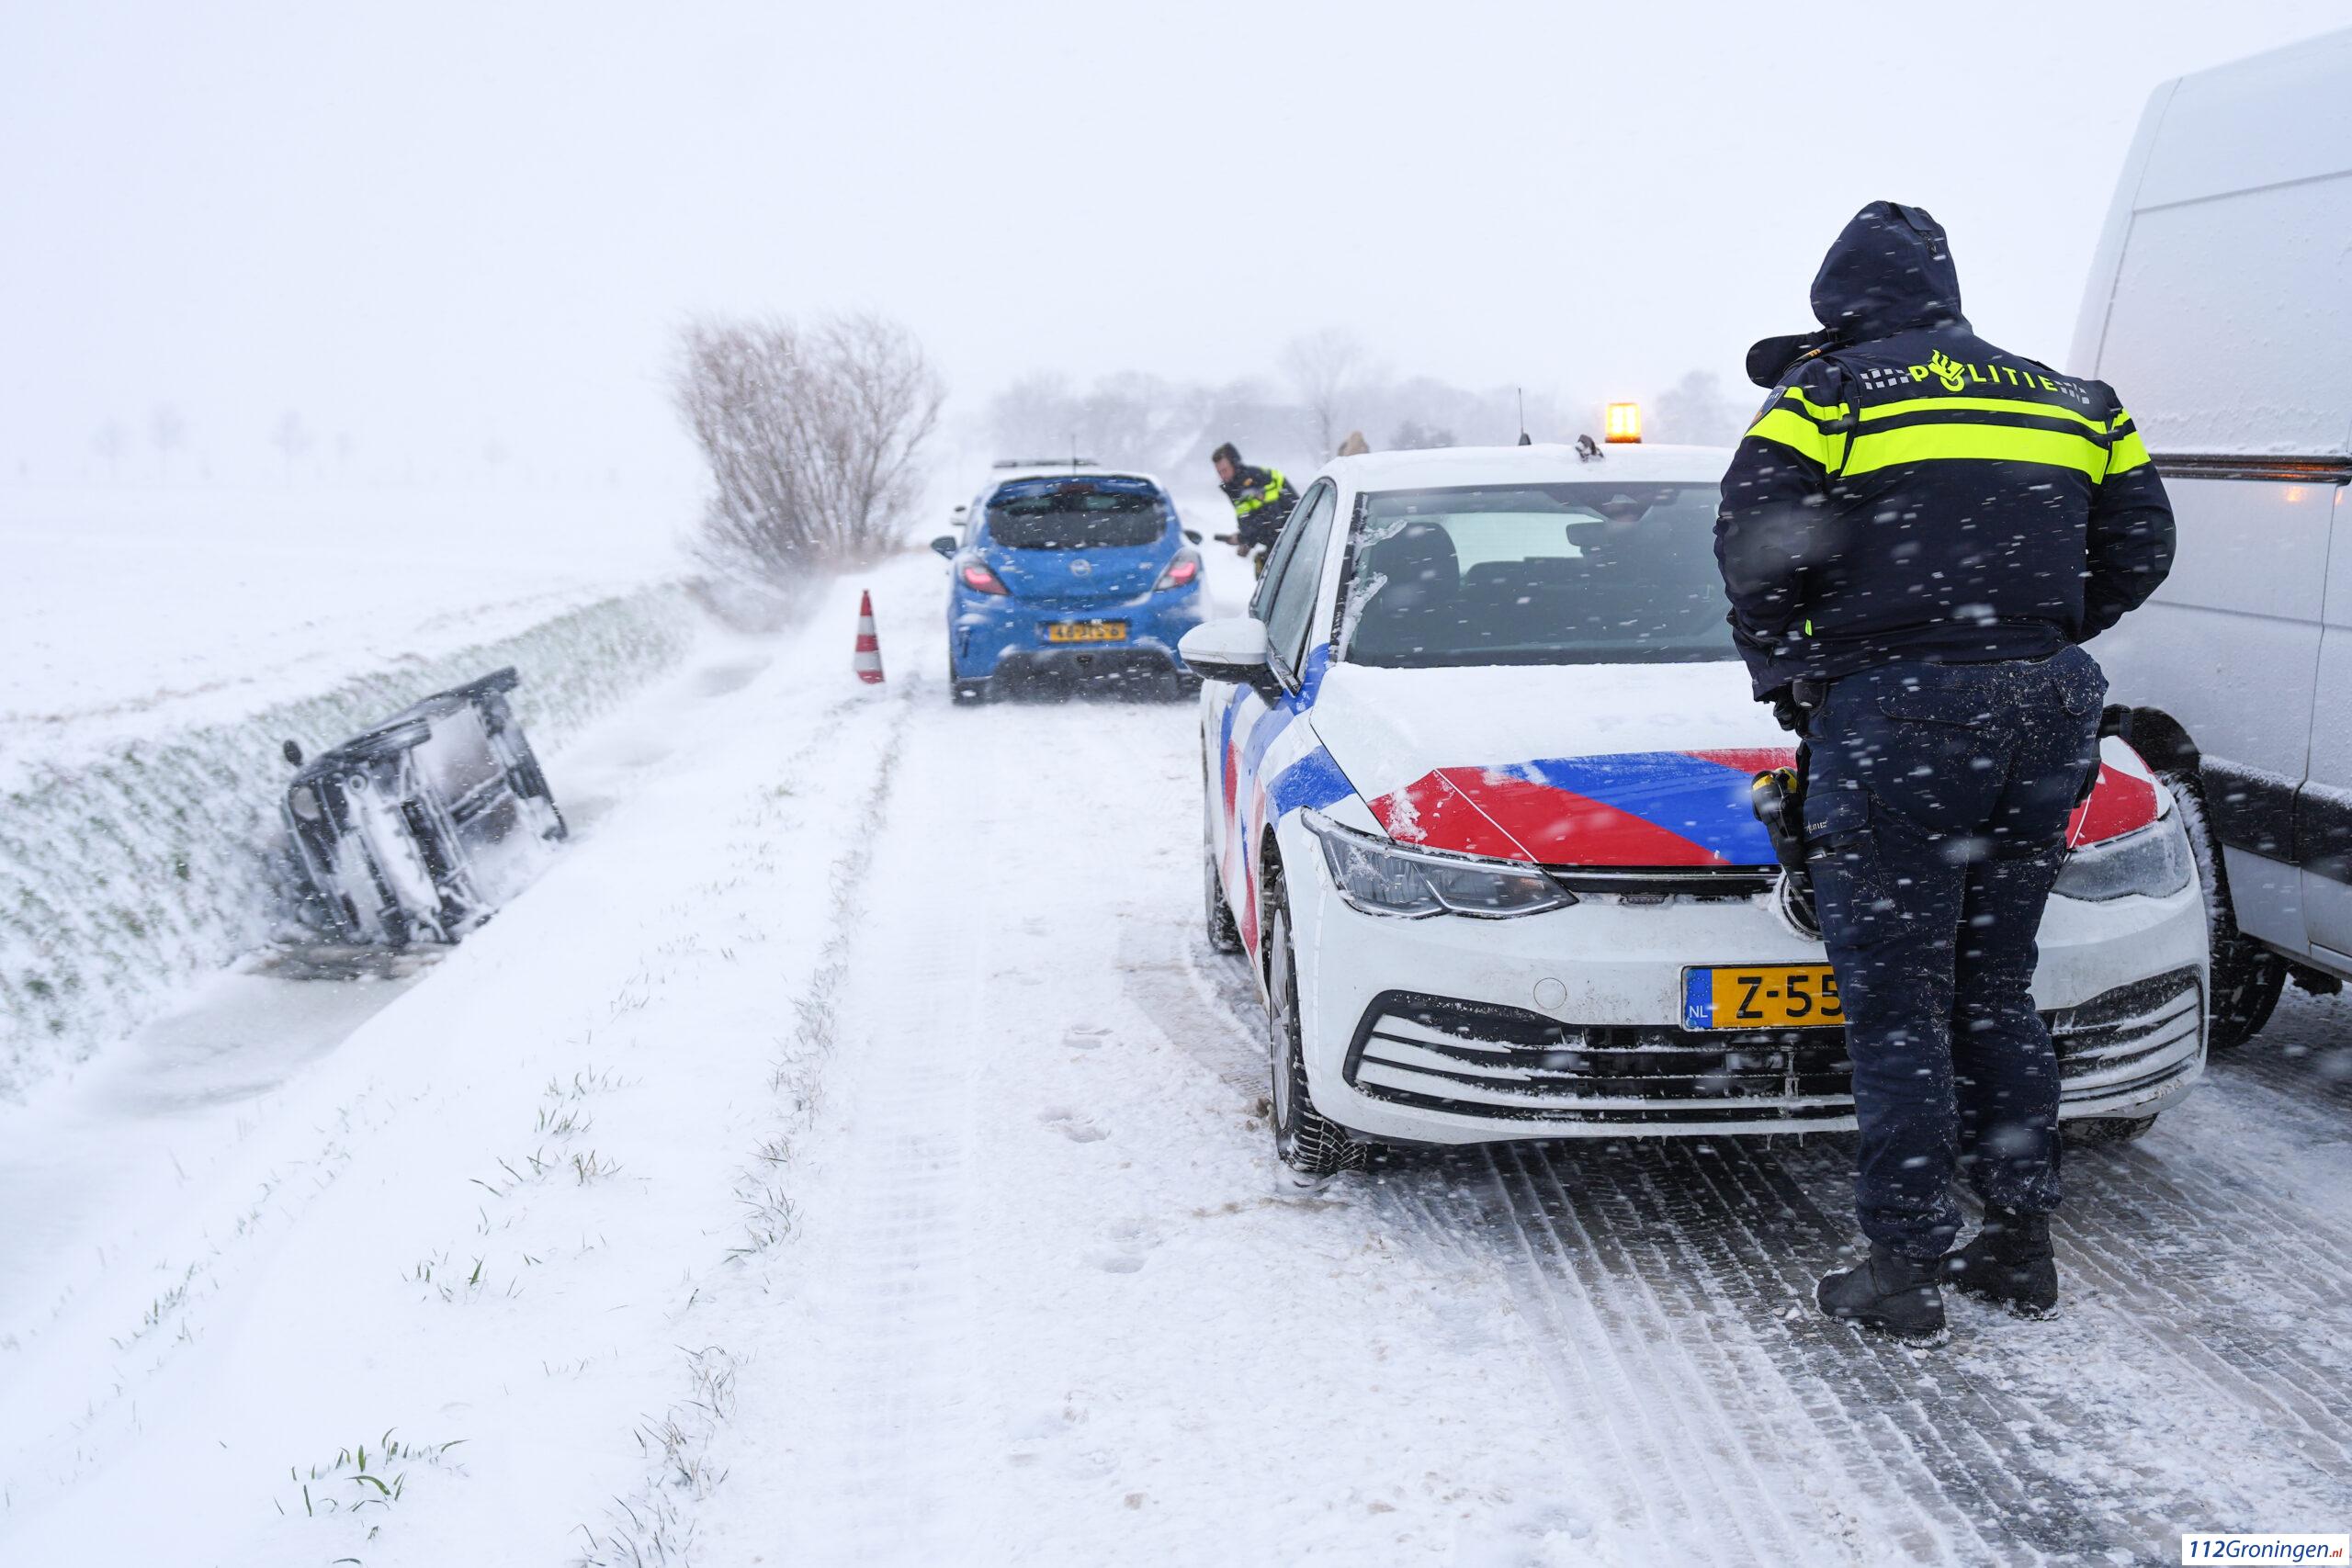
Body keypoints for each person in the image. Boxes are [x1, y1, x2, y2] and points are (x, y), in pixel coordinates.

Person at [1713, 201, 2175, 1342]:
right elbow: (2144, 543)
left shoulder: (1829, 395)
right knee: (1993, 984)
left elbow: (1752, 538)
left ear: (1838, 299)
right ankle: (2018, 1241)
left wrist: (1800, 668)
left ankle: (1903, 1261)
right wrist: (2039, 632)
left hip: (1897, 711)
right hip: (2043, 704)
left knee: (1896, 999)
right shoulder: (2076, 400)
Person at [1211, 443, 1299, 570]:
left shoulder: (1256, 480)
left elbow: (1273, 521)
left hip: (1292, 541)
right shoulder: (1235, 486)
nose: (1222, 476)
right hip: (1279, 543)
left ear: (1235, 464)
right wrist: (1247, 540)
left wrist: (1243, 538)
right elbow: (1252, 518)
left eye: (1225, 470)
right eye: (1219, 472)